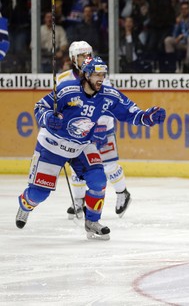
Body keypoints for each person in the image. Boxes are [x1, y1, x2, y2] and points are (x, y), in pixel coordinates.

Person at [16, 56, 166, 240]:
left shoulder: (108, 96)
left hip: (81, 146)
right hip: (52, 145)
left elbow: (129, 113)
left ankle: (92, 221)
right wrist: (47, 118)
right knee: (38, 194)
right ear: (86, 74)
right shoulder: (66, 90)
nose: (101, 78)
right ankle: (25, 205)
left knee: (98, 179)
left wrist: (146, 118)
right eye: (96, 74)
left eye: (103, 74)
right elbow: (40, 107)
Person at [57, 42, 132, 220]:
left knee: (108, 165)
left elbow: (108, 104)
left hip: (100, 128)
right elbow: (59, 104)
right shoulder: (63, 78)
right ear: (73, 59)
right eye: (81, 55)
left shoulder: (100, 76)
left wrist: (101, 127)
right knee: (78, 168)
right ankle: (78, 201)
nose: (85, 58)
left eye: (87, 54)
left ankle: (123, 193)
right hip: (76, 131)